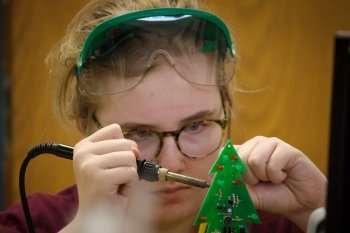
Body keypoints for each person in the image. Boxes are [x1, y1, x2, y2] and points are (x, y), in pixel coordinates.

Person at [0, 0, 327, 232]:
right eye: (139, 132)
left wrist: (320, 210)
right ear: (87, 131)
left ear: (225, 110)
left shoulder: (284, 222)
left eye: (197, 125)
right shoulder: (34, 222)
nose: (171, 163)